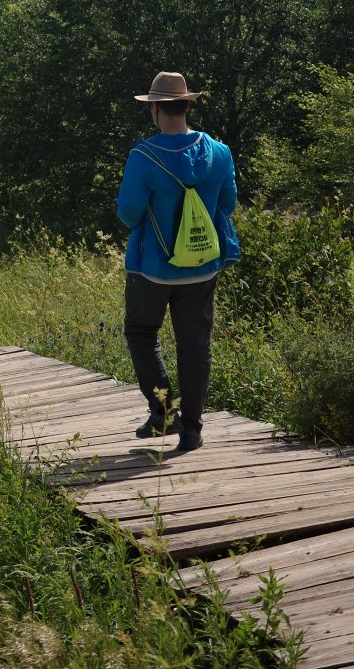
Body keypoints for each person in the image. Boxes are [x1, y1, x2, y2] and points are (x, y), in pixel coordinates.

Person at [117, 71, 239, 455]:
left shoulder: (144, 155)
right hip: (203, 265)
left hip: (152, 267)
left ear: (154, 108)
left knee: (141, 332)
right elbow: (228, 204)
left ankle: (164, 410)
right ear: (188, 105)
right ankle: (192, 431)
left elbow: (130, 213)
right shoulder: (219, 152)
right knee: (195, 347)